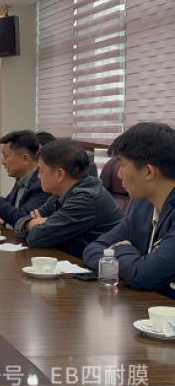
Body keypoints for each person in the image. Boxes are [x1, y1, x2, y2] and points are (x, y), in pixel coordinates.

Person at [83, 123, 175, 297]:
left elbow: (145, 276)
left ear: (148, 171)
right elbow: (93, 249)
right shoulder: (144, 205)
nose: (119, 175)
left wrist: (119, 251)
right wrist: (135, 263)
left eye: (123, 166)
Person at [14, 139, 124, 257]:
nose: (38, 177)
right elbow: (20, 223)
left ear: (60, 174)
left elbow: (36, 238)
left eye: (41, 171)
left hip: (102, 265)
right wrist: (34, 223)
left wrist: (43, 223)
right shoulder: (61, 193)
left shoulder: (85, 199)